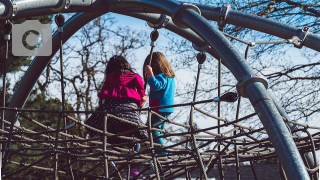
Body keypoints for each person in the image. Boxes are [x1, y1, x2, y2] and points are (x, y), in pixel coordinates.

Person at [85, 55, 147, 177]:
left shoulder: (110, 77)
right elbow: (142, 95)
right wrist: (142, 100)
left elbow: (108, 93)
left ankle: (111, 154)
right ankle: (132, 169)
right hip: (129, 113)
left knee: (111, 135)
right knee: (134, 139)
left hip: (111, 112)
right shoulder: (136, 77)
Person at [143, 52, 175, 154]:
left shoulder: (162, 76)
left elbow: (156, 86)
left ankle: (163, 152)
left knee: (153, 130)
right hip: (164, 108)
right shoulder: (169, 77)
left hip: (159, 108)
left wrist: (150, 73)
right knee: (156, 131)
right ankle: (158, 151)